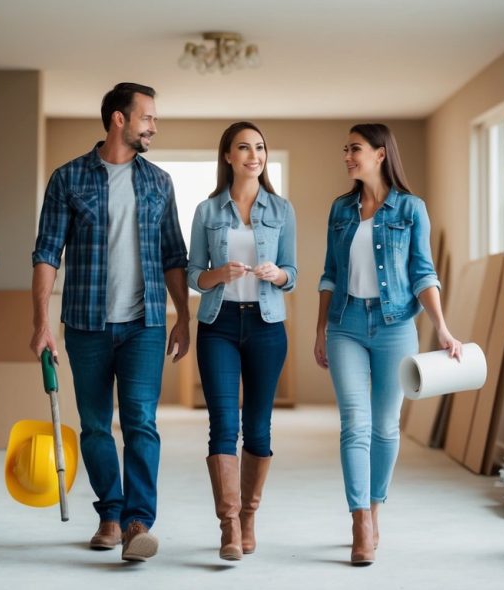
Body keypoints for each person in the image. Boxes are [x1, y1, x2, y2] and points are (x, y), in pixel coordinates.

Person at [30, 82, 190, 563]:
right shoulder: (68, 179)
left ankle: (139, 522)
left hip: (144, 323)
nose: (154, 126)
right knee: (97, 425)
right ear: (119, 119)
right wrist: (41, 321)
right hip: (86, 324)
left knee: (141, 422)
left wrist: (183, 315)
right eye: (147, 118)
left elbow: (173, 255)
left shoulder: (158, 182)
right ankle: (110, 515)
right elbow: (46, 253)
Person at [313, 123, 462, 566]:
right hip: (345, 323)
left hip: (396, 325)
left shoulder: (411, 209)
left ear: (380, 154)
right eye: (345, 149)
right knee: (354, 423)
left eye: (354, 149)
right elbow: (328, 275)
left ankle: (375, 508)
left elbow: (423, 272)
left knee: (385, 426)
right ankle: (359, 520)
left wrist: (442, 327)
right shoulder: (340, 210)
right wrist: (319, 329)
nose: (347, 156)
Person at [187, 121, 297, 561]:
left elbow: (294, 273)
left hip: (267, 325)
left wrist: (279, 274)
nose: (254, 155)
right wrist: (219, 275)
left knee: (258, 426)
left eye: (260, 147)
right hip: (219, 324)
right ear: (228, 157)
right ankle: (229, 525)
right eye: (244, 148)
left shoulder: (282, 210)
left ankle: (249, 515)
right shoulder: (207, 211)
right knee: (223, 426)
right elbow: (194, 273)